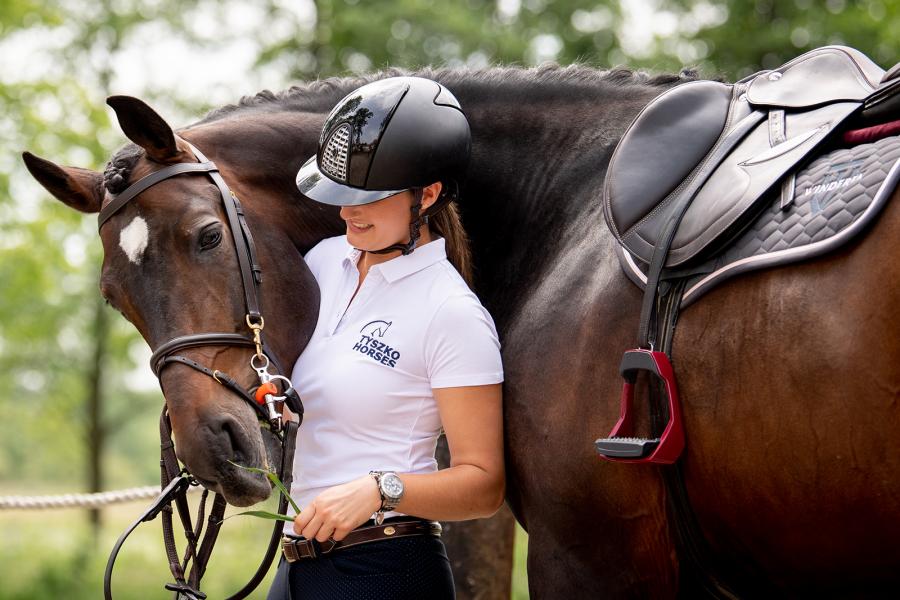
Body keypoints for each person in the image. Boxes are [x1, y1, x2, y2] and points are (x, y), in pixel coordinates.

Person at [266, 76, 505, 600]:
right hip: (295, 563)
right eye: (340, 193)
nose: (347, 210)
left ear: (429, 194)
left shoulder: (451, 312)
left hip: (385, 570)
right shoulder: (323, 262)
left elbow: (484, 484)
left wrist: (381, 489)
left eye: (368, 197)